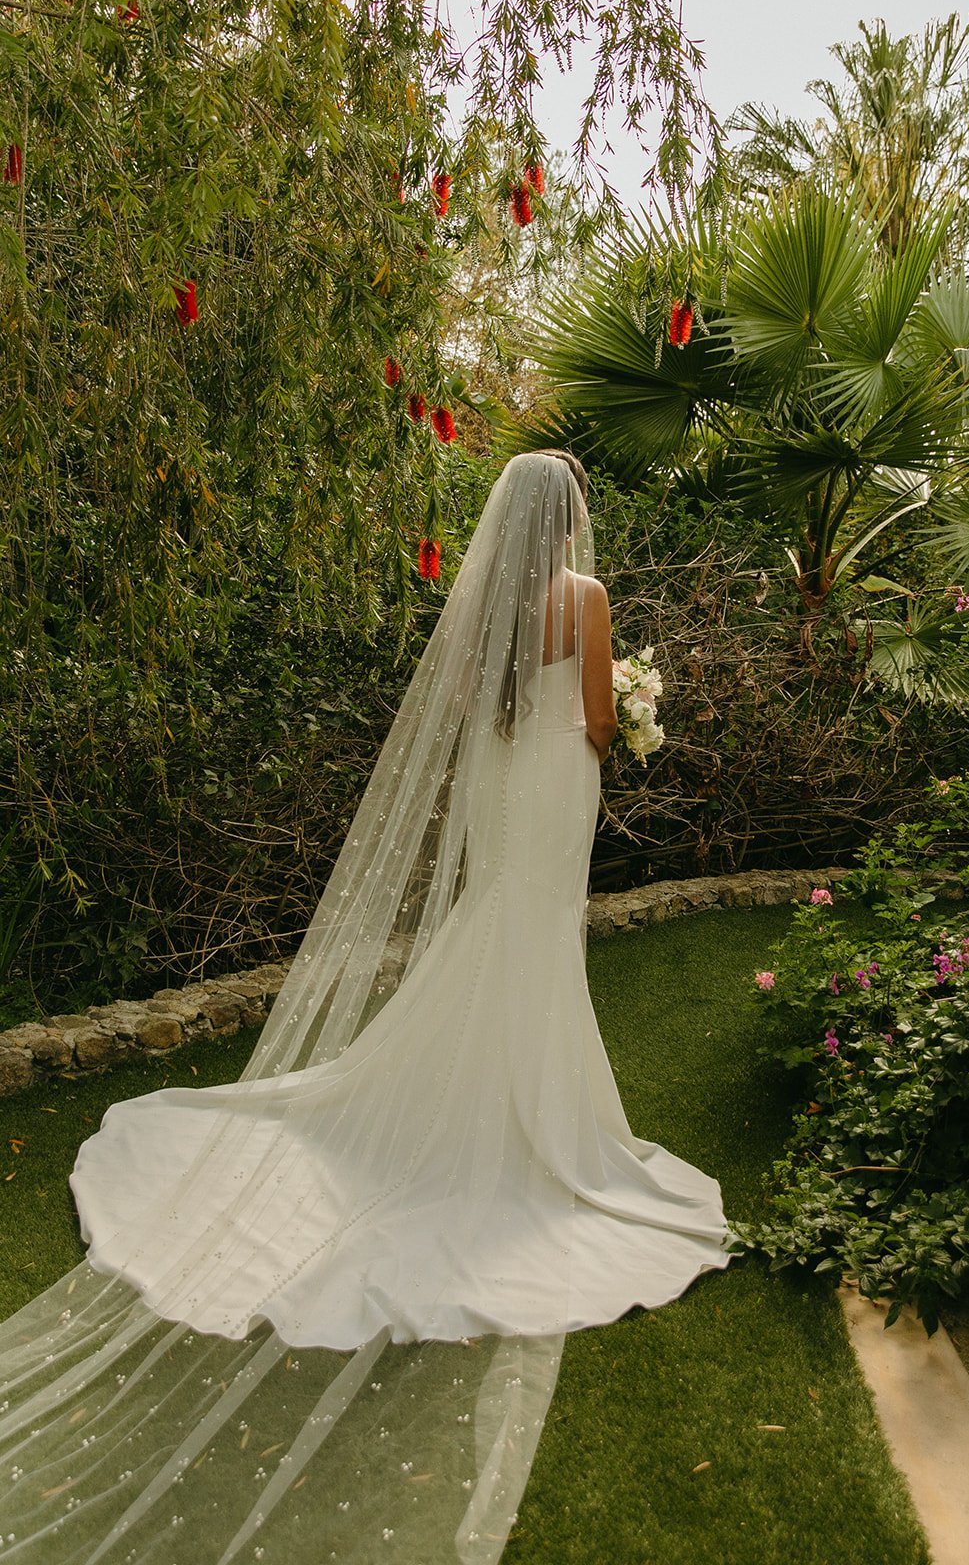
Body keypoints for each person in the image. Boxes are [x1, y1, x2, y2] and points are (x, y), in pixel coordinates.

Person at [0, 452, 733, 1564]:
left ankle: (474, 1094)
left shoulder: (486, 594)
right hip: (551, 777)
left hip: (496, 779)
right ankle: (524, 1119)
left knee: (496, 921)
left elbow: (455, 703)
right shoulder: (582, 598)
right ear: (568, 516)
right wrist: (623, 717)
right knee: (531, 935)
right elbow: (589, 717)